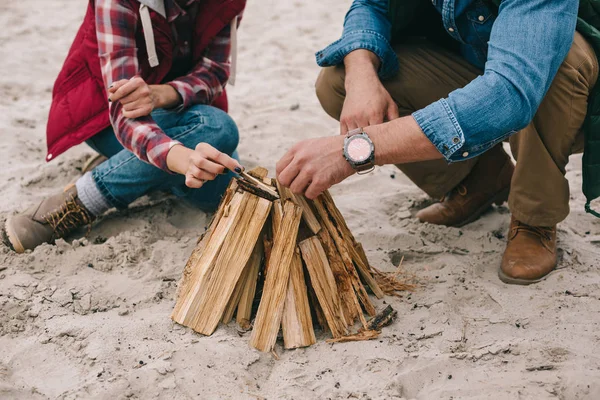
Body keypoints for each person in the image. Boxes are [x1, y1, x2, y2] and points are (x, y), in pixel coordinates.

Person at [276, 0, 600, 285]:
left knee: (557, 59)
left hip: (566, 94)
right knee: (339, 81)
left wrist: (357, 149)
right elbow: (371, 5)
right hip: (479, 63)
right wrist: (361, 70)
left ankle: (535, 217)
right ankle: (481, 180)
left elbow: (509, 94)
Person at [4, 0, 247, 254]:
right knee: (219, 129)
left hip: (180, 110)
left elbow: (215, 71)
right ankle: (80, 201)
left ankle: (124, 162)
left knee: (223, 188)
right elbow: (123, 112)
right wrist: (180, 158)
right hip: (104, 119)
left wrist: (161, 95)